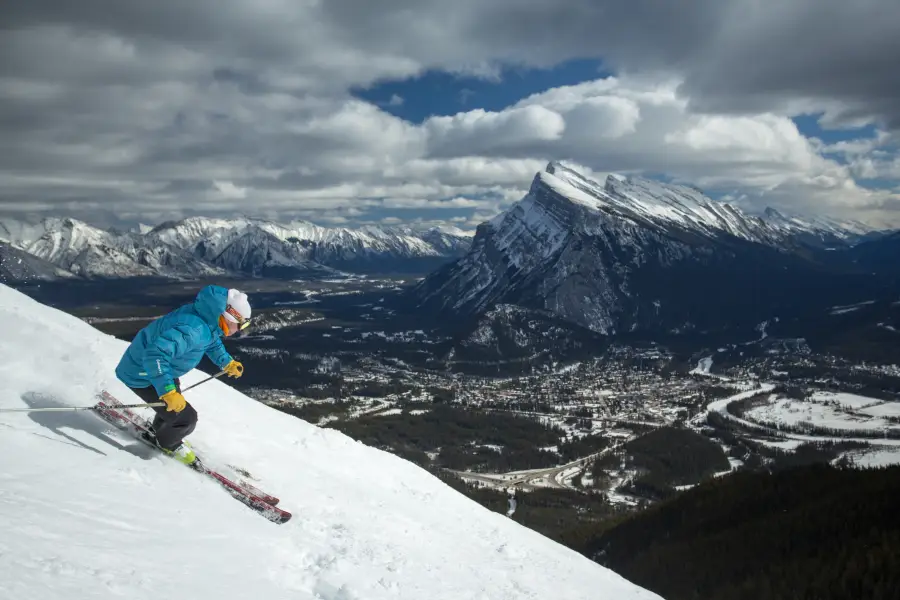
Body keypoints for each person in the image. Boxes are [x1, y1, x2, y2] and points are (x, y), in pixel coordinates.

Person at [115, 285, 251, 465]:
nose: (240, 329)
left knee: (174, 408)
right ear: (227, 316)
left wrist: (226, 362)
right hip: (142, 373)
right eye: (240, 324)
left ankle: (161, 430)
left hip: (159, 371)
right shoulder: (193, 329)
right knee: (186, 419)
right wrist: (167, 391)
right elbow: (155, 354)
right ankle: (166, 443)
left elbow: (211, 342)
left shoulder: (207, 321)